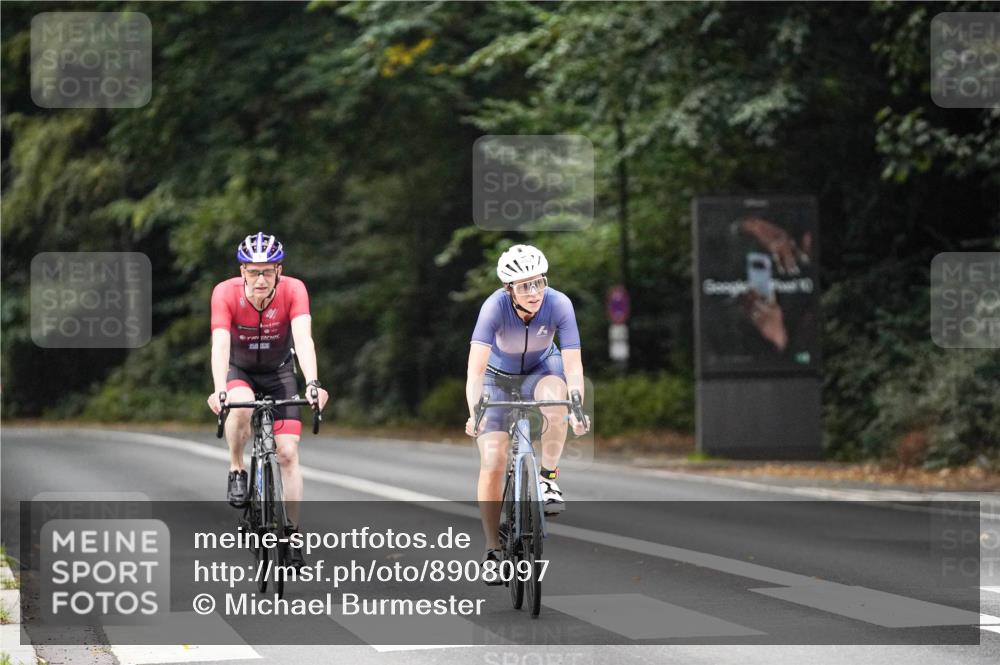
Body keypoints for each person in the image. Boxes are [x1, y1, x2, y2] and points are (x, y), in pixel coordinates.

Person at [465, 244, 588, 581]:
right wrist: (475, 412)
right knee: (493, 460)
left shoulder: (559, 303)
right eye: (524, 286)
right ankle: (492, 548)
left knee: (556, 397)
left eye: (539, 282)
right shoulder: (493, 308)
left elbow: (573, 365)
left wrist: (576, 405)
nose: (535, 292)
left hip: (540, 369)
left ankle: (548, 479)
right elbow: (475, 372)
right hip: (496, 378)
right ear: (509, 289)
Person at [207, 232, 328, 567]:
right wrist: (220, 387)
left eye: (267, 271)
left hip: (279, 373)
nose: (260, 279)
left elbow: (304, 339)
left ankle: (291, 533)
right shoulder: (225, 293)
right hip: (240, 371)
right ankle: (236, 468)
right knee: (240, 406)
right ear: (242, 271)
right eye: (252, 271)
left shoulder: (294, 290)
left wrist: (314, 383)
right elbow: (220, 344)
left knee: (288, 453)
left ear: (279, 270)